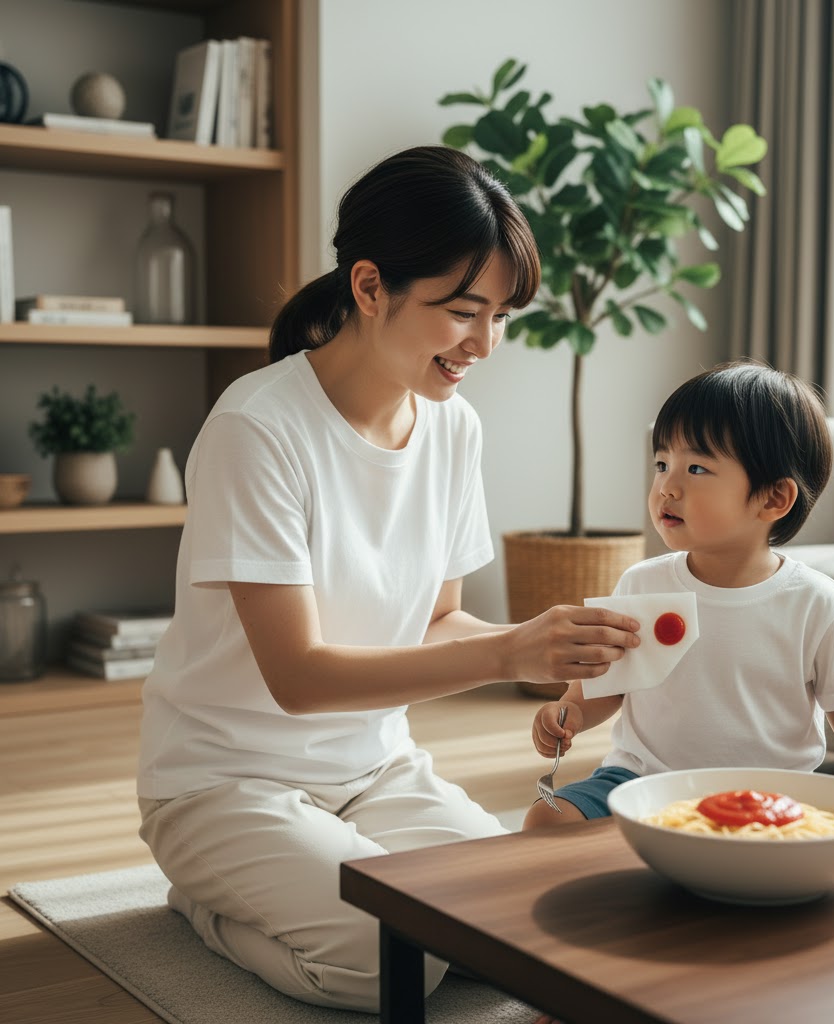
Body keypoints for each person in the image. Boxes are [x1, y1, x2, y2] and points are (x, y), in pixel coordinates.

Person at [135, 145, 640, 1012]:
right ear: (370, 286)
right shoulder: (257, 427)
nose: (484, 344)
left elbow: (437, 621)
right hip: (224, 784)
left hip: (376, 771)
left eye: (501, 317)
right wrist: (507, 654)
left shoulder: (453, 427)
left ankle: (326, 870)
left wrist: (557, 649)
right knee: (393, 960)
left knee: (520, 923)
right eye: (463, 312)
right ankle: (204, 904)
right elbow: (298, 678)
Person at [524, 360, 834, 831]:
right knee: (546, 820)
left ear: (773, 499)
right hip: (641, 780)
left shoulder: (818, 603)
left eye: (696, 468)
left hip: (773, 796)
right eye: (662, 464)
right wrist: (568, 712)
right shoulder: (641, 584)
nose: (667, 487)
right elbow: (606, 683)